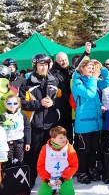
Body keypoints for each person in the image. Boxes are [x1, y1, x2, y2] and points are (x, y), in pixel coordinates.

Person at [19, 54, 67, 187]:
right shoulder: (26, 83)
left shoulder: (56, 81)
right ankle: (29, 181)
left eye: (46, 65)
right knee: (32, 157)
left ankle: (53, 183)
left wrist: (53, 103)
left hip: (52, 125)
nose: (43, 67)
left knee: (54, 157)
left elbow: (64, 100)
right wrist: (39, 103)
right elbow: (22, 103)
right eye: (41, 65)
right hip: (35, 125)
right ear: (35, 66)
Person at [72, 59, 109, 184]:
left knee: (94, 149)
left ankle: (91, 168)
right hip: (83, 123)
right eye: (89, 68)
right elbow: (89, 93)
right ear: (81, 68)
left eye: (93, 68)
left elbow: (108, 82)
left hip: (96, 122)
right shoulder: (77, 82)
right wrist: (94, 78)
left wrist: (102, 68)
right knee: (84, 150)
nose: (91, 70)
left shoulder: (94, 81)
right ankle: (81, 172)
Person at [50, 43, 92, 142]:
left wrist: (86, 52)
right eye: (61, 60)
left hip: (73, 105)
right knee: (64, 133)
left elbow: (78, 64)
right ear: (57, 61)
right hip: (62, 107)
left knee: (75, 133)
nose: (63, 62)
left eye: (65, 60)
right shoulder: (53, 73)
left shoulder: (69, 69)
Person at [36, 126, 78, 195]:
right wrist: (47, 180)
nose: (64, 139)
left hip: (64, 178)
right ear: (53, 140)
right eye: (61, 138)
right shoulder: (45, 149)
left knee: (68, 193)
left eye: (65, 137)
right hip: (49, 178)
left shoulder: (69, 148)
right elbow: (40, 166)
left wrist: (63, 178)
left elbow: (73, 165)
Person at [3, 95, 31, 163]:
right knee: (8, 162)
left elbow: (27, 128)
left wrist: (28, 142)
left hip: (19, 142)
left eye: (14, 103)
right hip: (7, 143)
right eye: (9, 103)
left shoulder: (22, 115)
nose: (12, 105)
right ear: (6, 105)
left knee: (19, 162)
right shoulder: (3, 116)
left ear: (18, 104)